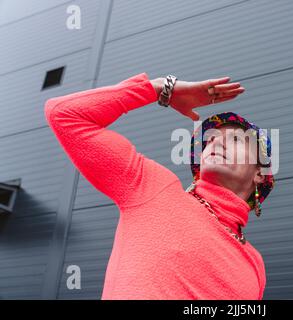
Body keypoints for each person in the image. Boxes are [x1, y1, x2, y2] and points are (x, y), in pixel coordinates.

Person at [44, 72, 275, 300]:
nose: (216, 141)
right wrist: (160, 89)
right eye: (211, 139)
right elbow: (64, 114)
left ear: (259, 173)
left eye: (235, 139)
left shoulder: (255, 264)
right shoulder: (154, 187)